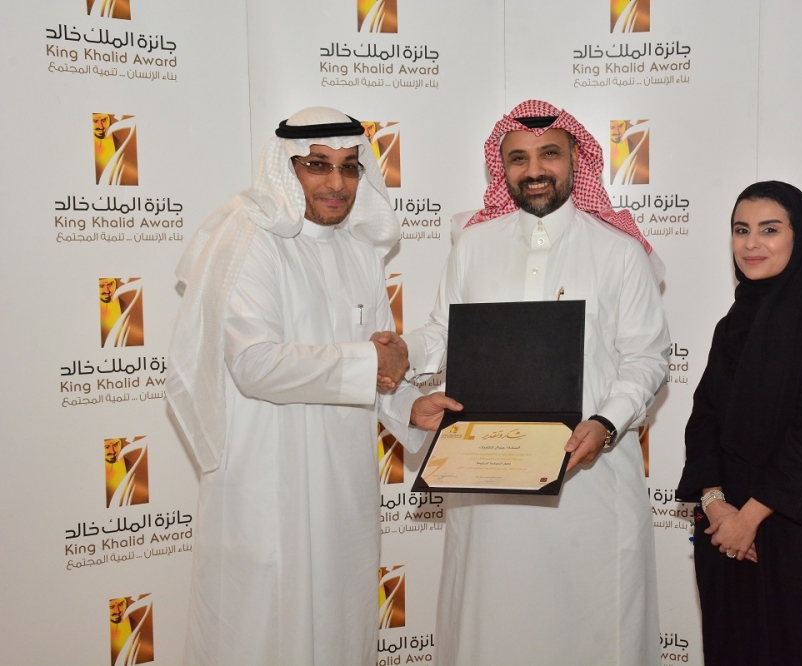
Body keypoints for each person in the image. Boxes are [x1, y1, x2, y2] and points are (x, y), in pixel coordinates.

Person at [165, 106, 456, 665]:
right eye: (317, 166)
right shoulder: (248, 240)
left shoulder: (360, 252)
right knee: (262, 630)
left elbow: (375, 368)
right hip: (266, 476)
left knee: (340, 624)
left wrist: (409, 408)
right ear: (286, 167)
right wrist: (372, 361)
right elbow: (255, 364)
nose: (336, 183)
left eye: (350, 167)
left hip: (342, 482)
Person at [399, 100, 671, 665]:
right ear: (503, 171)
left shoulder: (618, 252)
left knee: (591, 629)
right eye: (518, 159)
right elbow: (443, 333)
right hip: (487, 486)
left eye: (549, 153)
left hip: (588, 481)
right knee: (493, 627)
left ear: (576, 159)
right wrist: (405, 353)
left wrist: (605, 422)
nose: (534, 170)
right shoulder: (473, 245)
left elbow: (646, 359)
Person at [676, 181, 802, 666]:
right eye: (741, 230)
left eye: (769, 230)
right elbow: (704, 420)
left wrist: (749, 521)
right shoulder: (731, 325)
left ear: (800, 238)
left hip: (797, 539)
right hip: (726, 531)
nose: (751, 244)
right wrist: (718, 508)